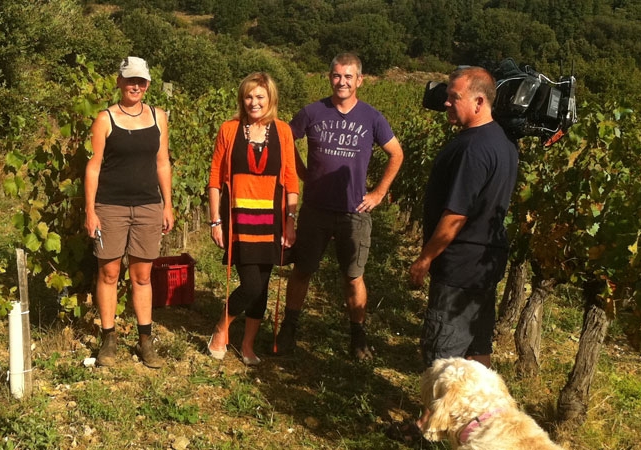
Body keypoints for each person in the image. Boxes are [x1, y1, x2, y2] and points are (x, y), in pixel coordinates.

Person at [407, 66, 518, 434]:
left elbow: (456, 215)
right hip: (486, 261)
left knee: (444, 352)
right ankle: (484, 425)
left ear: (479, 101)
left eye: (454, 97)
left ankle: (429, 429)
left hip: (460, 264)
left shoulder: (473, 148)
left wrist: (425, 258)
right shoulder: (503, 142)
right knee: (478, 346)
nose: (446, 102)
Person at [274, 53, 404, 360]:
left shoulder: (372, 118)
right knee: (302, 270)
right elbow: (284, 140)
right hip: (315, 208)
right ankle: (289, 329)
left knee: (353, 276)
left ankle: (358, 336)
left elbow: (396, 154)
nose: (342, 82)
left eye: (348, 76)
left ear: (359, 80)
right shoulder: (313, 111)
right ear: (329, 77)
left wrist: (378, 193)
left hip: (353, 212)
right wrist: (302, 172)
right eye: (336, 75)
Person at [84, 56, 174, 369]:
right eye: (130, 80)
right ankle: (108, 339)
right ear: (120, 82)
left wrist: (167, 204)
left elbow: (163, 163)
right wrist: (90, 210)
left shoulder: (158, 117)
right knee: (109, 273)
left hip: (148, 205)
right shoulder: (105, 119)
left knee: (142, 276)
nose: (136, 86)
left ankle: (145, 340)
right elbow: (94, 167)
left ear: (147, 84)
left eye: (141, 81)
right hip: (110, 206)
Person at [206, 72, 299, 366]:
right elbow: (215, 178)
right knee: (251, 285)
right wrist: (215, 221)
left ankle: (247, 345)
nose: (253, 102)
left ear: (271, 99)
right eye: (248, 96)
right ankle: (221, 328)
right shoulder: (229, 129)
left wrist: (290, 220)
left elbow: (291, 178)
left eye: (260, 96)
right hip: (239, 218)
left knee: (263, 284)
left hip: (272, 219)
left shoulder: (283, 131)